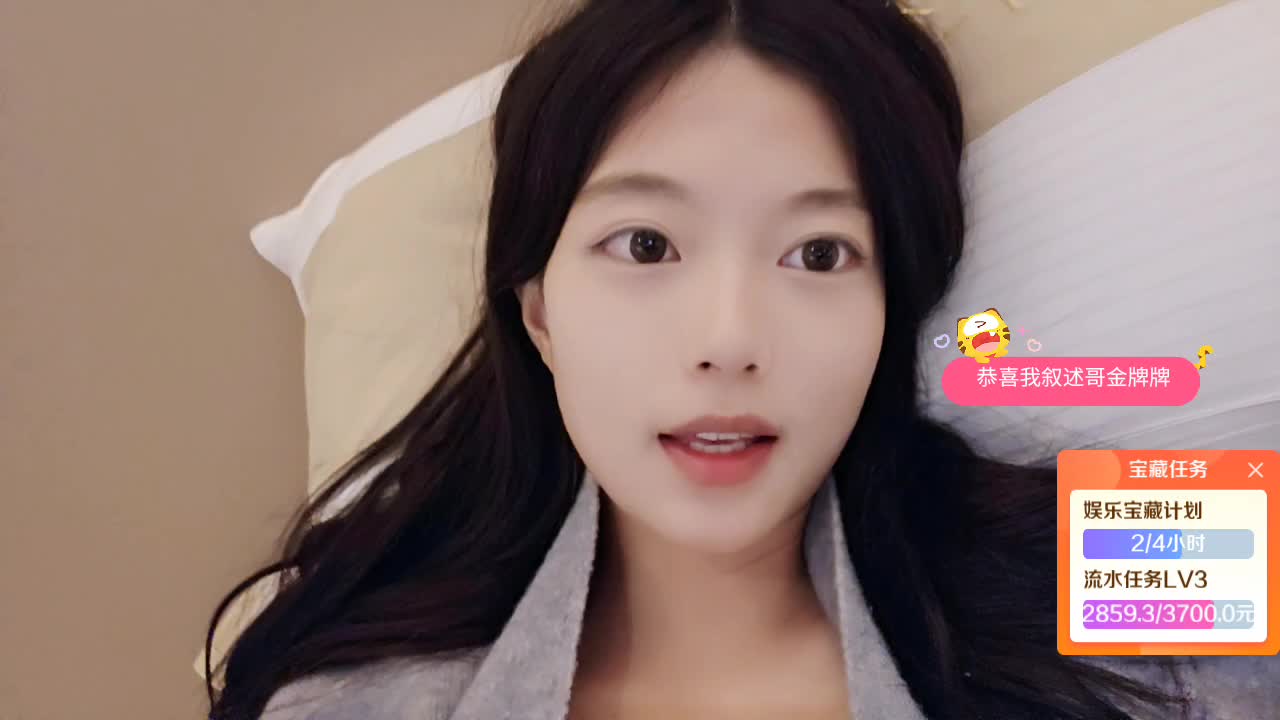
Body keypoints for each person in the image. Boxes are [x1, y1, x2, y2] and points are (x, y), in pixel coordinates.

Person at [206, 1, 1276, 718]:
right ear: (538, 312)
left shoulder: (1116, 552)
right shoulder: (349, 697)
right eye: (645, 246)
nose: (728, 342)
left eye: (819, 254)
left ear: (888, 309)